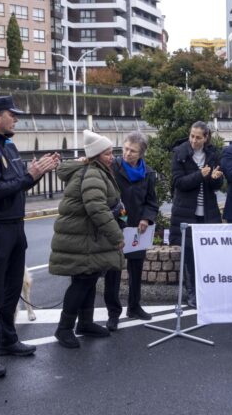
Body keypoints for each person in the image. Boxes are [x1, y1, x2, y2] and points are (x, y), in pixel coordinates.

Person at [0, 96, 59, 378]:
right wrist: (30, 175)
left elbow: (18, 184)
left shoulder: (7, 144)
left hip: (15, 226)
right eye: (11, 115)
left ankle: (7, 339)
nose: (16, 119)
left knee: (11, 288)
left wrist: (38, 172)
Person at [50, 130, 125, 348]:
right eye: (107, 153)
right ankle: (64, 329)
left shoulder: (95, 169)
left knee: (89, 279)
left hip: (85, 237)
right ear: (95, 155)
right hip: (82, 238)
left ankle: (85, 322)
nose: (111, 157)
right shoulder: (93, 173)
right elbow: (97, 208)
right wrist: (116, 236)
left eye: (112, 152)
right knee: (82, 282)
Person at [104, 131, 159, 330]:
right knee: (114, 271)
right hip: (115, 226)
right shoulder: (112, 167)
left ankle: (134, 306)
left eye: (133, 151)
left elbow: (152, 202)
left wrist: (147, 218)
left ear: (141, 153)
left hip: (137, 229)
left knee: (136, 269)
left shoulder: (149, 174)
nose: (127, 153)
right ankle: (113, 313)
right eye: (125, 149)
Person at [170, 121, 225, 308]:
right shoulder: (180, 153)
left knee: (207, 253)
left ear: (206, 138)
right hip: (186, 212)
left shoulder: (212, 154)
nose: (194, 140)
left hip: (207, 212)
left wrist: (216, 179)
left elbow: (215, 185)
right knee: (190, 255)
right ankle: (192, 293)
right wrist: (200, 175)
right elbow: (179, 183)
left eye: (198, 137)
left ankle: (207, 290)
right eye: (192, 136)